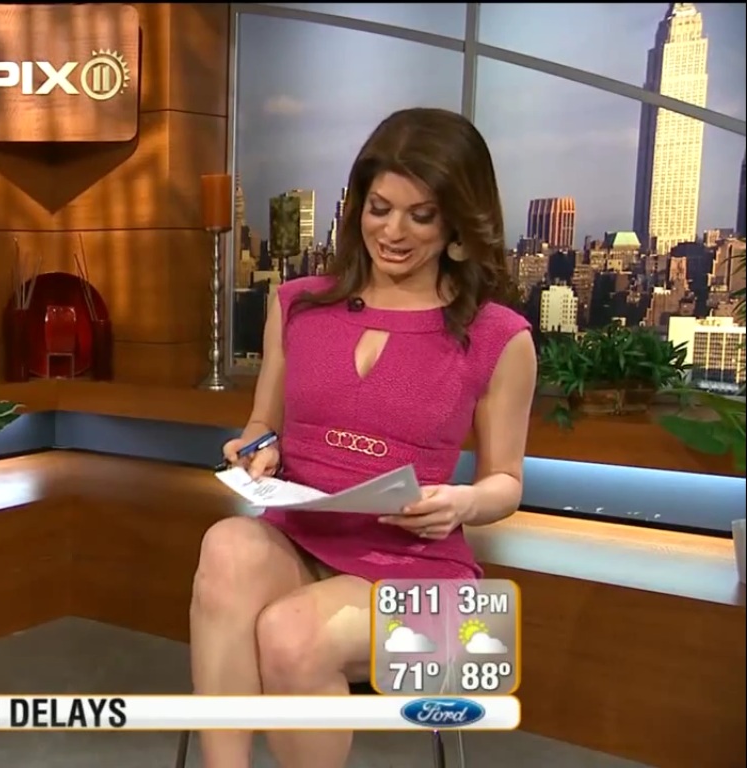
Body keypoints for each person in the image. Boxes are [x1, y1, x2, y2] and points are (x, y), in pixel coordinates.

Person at [189, 107, 536, 768]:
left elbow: (507, 483)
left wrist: (462, 502)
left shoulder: (497, 337)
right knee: (226, 544)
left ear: (457, 223)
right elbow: (263, 425)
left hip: (429, 583)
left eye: (420, 216)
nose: (392, 232)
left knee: (292, 634)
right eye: (380, 208)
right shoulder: (298, 305)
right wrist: (257, 449)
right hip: (301, 537)